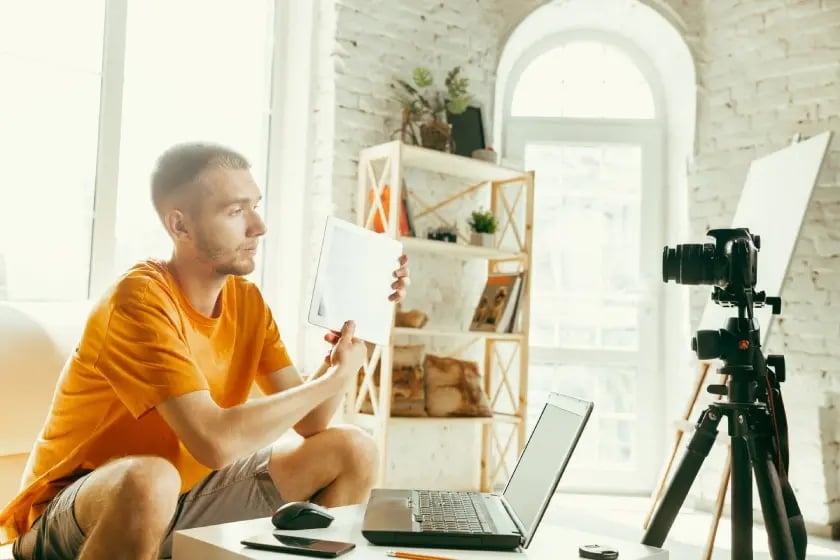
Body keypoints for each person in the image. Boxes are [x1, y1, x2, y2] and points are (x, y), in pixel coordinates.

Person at [0, 142, 410, 560]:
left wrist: (357, 334)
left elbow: (313, 421)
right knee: (150, 479)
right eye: (235, 211)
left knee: (352, 448)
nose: (259, 226)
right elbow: (214, 443)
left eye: (255, 206)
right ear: (180, 226)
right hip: (74, 515)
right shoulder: (139, 299)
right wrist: (336, 379)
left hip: (184, 499)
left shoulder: (246, 302)